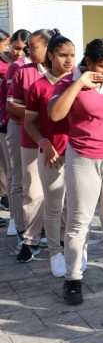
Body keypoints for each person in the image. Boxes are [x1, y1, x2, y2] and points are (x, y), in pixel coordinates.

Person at [50, 38, 103, 306]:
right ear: (88, 62)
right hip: (82, 157)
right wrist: (79, 83)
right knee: (79, 220)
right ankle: (73, 278)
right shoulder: (68, 82)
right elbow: (55, 115)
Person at [19, 35, 74, 275]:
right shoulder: (39, 86)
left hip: (77, 153)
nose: (69, 60)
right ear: (51, 55)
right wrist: (45, 143)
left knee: (73, 206)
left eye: (72, 55)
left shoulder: (78, 82)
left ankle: (71, 247)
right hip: (51, 154)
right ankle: (54, 253)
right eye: (63, 55)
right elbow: (30, 122)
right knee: (53, 206)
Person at [9, 28, 52, 258]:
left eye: (33, 47)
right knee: (31, 188)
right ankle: (29, 237)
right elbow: (11, 105)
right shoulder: (23, 72)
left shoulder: (69, 74)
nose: (28, 50)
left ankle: (57, 237)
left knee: (59, 190)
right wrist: (37, 113)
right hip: (29, 136)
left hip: (59, 139)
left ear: (48, 48)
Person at [2, 29, 30, 237]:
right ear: (11, 43)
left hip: (30, 124)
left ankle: (29, 219)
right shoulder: (14, 67)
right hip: (10, 122)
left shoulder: (31, 67)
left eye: (24, 49)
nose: (19, 52)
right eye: (16, 47)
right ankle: (15, 217)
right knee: (13, 173)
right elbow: (8, 100)